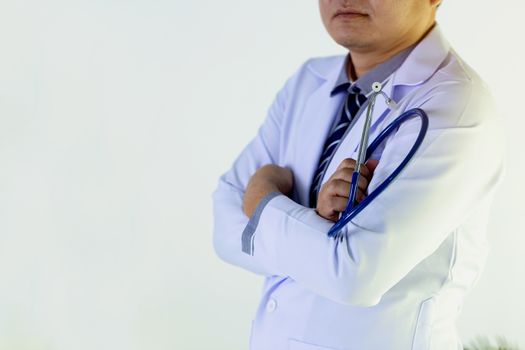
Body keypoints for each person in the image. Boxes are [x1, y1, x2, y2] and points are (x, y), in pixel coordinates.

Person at [212, 0, 505, 349]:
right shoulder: (308, 83)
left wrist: (260, 197)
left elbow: (355, 275)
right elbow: (225, 230)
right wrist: (315, 227)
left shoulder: (456, 107)